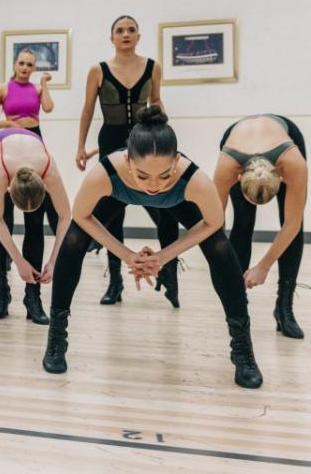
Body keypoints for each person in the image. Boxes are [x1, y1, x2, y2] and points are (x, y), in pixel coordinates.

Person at [42, 106, 263, 389]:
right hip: (119, 191)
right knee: (72, 241)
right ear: (128, 160)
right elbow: (82, 216)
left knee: (219, 246)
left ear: (176, 162)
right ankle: (56, 337)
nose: (154, 186)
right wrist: (127, 255)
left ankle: (243, 349)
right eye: (143, 176)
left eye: (164, 175)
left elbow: (214, 221)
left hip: (178, 200)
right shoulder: (106, 171)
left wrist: (163, 256)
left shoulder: (193, 179)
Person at [75, 15, 180, 307]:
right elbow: (86, 110)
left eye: (131, 30)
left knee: (163, 207)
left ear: (138, 36)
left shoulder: (152, 67)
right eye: (119, 30)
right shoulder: (98, 70)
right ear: (111, 38)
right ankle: (116, 282)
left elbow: (156, 102)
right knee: (112, 213)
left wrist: (168, 140)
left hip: (145, 143)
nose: (125, 34)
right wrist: (80, 146)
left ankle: (170, 274)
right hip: (109, 142)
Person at [213, 114, 307, 339]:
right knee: (243, 222)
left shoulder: (294, 164)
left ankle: (284, 307)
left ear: (281, 177)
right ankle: (239, 305)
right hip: (236, 141)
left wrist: (263, 266)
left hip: (284, 138)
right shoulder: (227, 166)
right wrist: (223, 267)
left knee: (293, 221)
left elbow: (292, 224)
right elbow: (214, 225)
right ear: (238, 177)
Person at [0, 127, 72, 323]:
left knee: (35, 224)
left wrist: (55, 261)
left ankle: (32, 298)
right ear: (8, 189)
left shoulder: (49, 172)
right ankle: (2, 294)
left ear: (44, 187)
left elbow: (65, 217)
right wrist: (19, 261)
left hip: (31, 151)